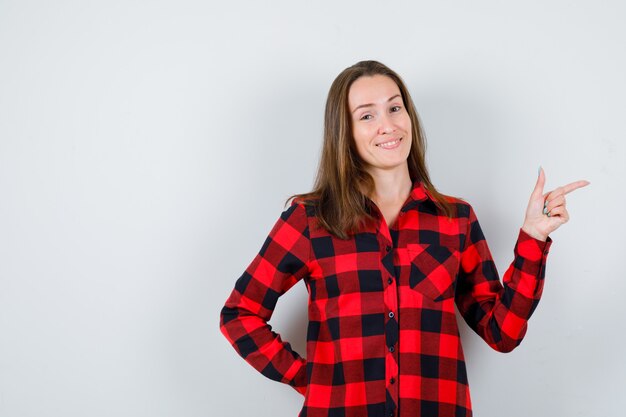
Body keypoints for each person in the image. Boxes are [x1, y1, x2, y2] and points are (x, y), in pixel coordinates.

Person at [219, 60, 589, 417]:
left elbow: (502, 332)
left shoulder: (455, 220)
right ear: (344, 132)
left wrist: (533, 239)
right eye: (367, 115)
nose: (387, 125)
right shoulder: (310, 219)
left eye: (394, 108)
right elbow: (239, 314)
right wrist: (307, 379)